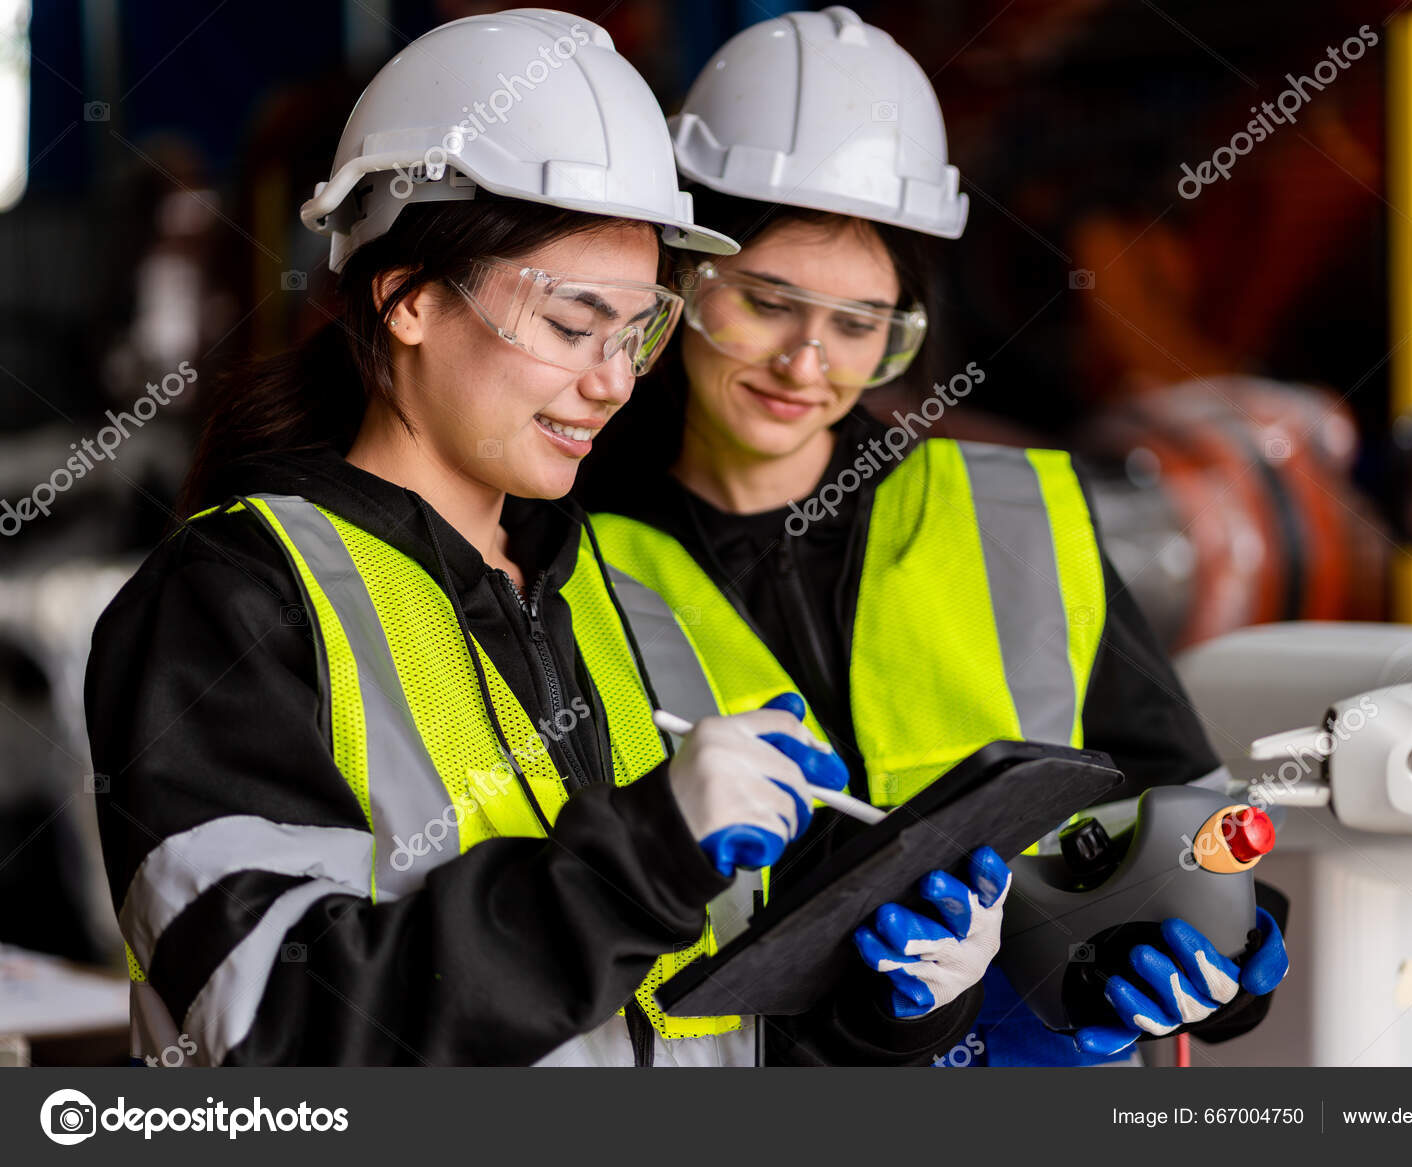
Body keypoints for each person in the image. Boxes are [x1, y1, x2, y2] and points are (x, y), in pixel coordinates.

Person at [85, 10, 1008, 1068]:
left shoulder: (601, 590)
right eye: (574, 327)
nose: (614, 381)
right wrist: (643, 861)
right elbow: (271, 1029)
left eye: (638, 330)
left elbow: (683, 1027)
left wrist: (886, 1007)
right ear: (410, 299)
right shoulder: (233, 604)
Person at [578, 6, 1288, 1066]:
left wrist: (1225, 956)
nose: (806, 363)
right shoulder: (561, 548)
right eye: (768, 304)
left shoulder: (1015, 513)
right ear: (682, 282)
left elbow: (1174, 807)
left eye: (860, 324)